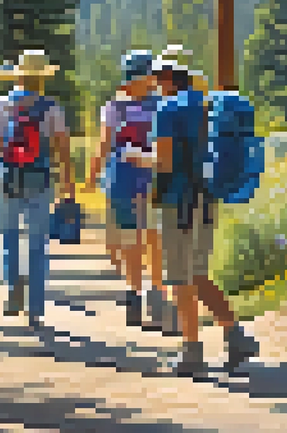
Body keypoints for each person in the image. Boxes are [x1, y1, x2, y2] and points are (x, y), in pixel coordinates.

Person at [147, 51, 258, 377]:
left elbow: (164, 163)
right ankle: (236, 336)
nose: (155, 84)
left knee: (180, 278)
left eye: (157, 78)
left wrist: (137, 159)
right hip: (207, 199)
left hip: (178, 201)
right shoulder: (209, 105)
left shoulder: (167, 109)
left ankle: (192, 353)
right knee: (197, 272)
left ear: (168, 77)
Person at [0, 50, 74, 330]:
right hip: (40, 178)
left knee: (9, 236)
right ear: (42, 78)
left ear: (18, 75)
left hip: (9, 176)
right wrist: (68, 184)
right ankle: (36, 309)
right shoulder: (52, 107)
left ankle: (13, 288)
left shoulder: (3, 104)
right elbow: (63, 149)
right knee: (38, 244)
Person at [86, 50, 160, 328]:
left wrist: (92, 177)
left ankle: (135, 294)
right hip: (152, 177)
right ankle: (154, 293)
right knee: (151, 236)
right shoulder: (161, 104)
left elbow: (105, 144)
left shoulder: (115, 106)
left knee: (132, 238)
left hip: (122, 178)